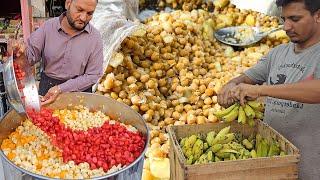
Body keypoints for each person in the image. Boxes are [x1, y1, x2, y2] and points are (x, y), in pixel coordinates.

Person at [218, 0, 320, 178]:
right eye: (284, 19)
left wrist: (260, 91)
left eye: (295, 19)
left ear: (318, 16)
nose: (286, 26)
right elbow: (245, 78)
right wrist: (230, 88)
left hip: (311, 168)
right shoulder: (277, 53)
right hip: (273, 161)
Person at [26, 0, 103, 105]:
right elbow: (30, 57)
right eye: (79, 10)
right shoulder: (48, 27)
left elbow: (93, 75)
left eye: (90, 13)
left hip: (79, 92)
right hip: (47, 88)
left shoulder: (95, 37)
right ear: (68, 3)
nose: (83, 18)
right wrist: (20, 53)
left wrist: (61, 88)